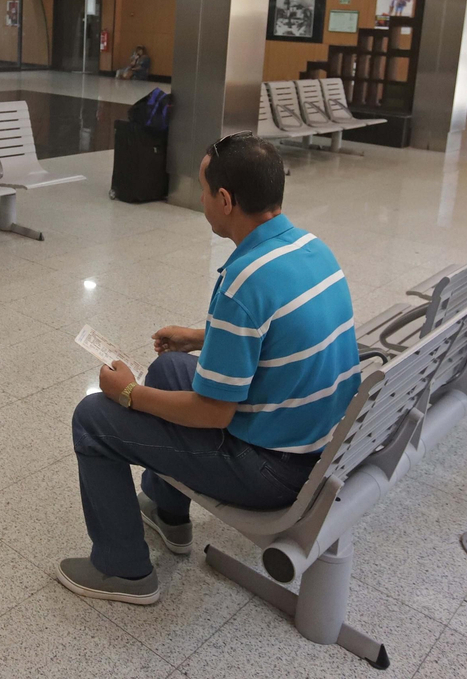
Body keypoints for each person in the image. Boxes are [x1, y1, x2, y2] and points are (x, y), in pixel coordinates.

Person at [58, 133, 360, 605]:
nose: (201, 201)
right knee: (173, 366)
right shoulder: (310, 247)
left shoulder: (244, 280)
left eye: (203, 191)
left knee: (93, 418)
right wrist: (201, 337)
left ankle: (123, 569)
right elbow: (283, 331)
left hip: (273, 470)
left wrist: (127, 394)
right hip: (318, 446)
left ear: (225, 200)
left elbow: (214, 412)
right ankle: (167, 512)